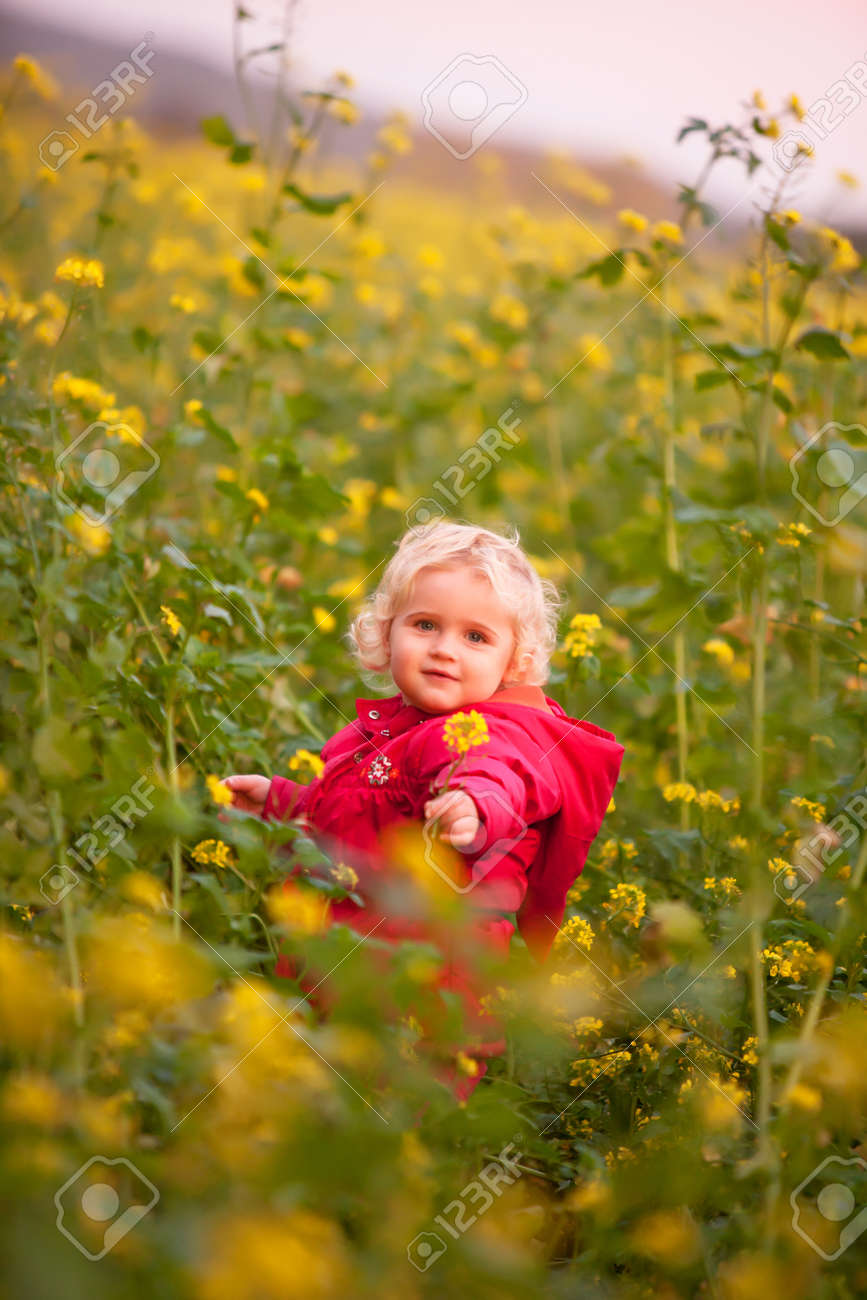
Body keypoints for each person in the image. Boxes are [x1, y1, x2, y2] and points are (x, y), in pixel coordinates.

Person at [223, 520, 624, 1103]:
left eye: (476, 637)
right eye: (426, 625)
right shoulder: (377, 736)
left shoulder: (488, 735)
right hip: (344, 975)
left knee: (393, 1132)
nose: (443, 648)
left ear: (516, 660)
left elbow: (496, 774)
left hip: (422, 1000)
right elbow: (352, 817)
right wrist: (285, 804)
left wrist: (474, 806)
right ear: (387, 635)